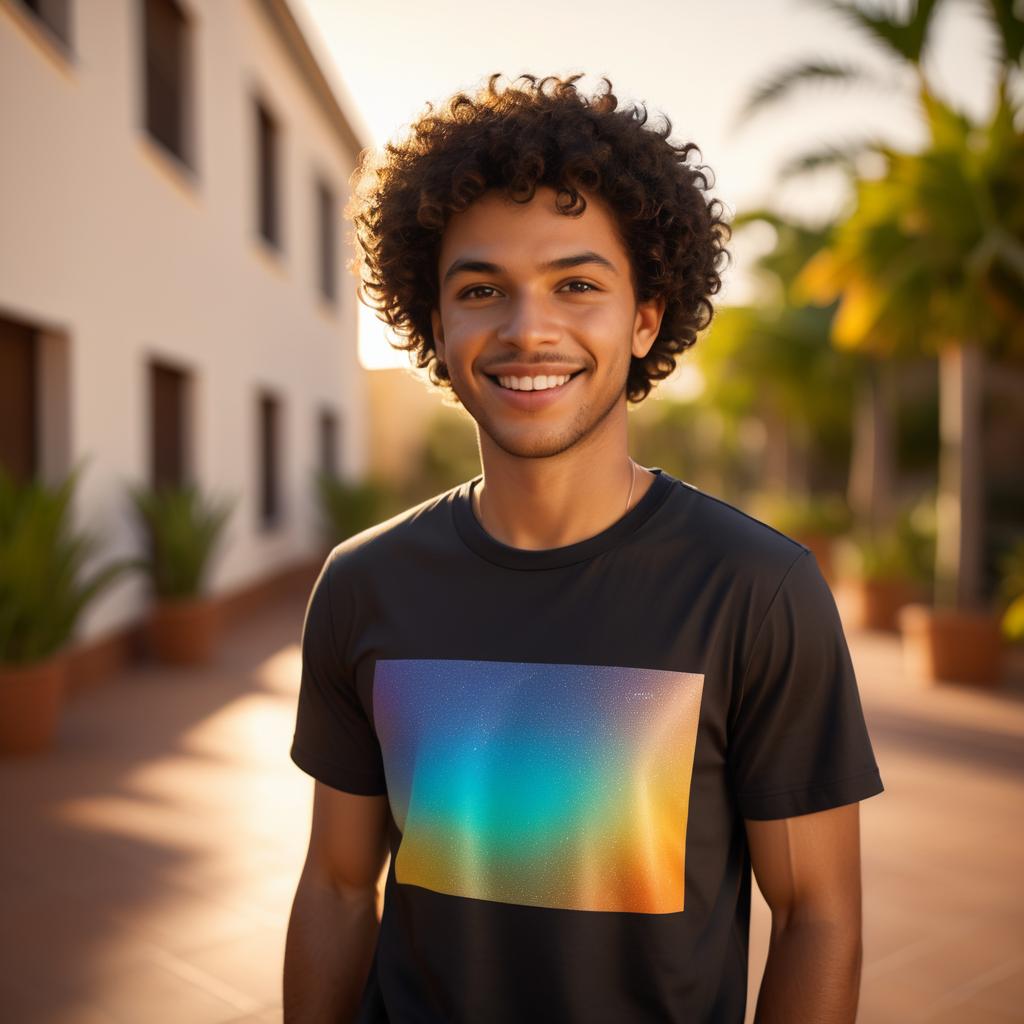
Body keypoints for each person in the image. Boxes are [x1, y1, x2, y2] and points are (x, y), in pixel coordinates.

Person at [283, 72, 884, 1024]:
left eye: (577, 284)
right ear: (436, 325)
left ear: (645, 318)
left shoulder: (757, 590)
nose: (529, 329)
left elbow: (816, 916)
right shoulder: (365, 583)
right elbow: (337, 888)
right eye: (482, 289)